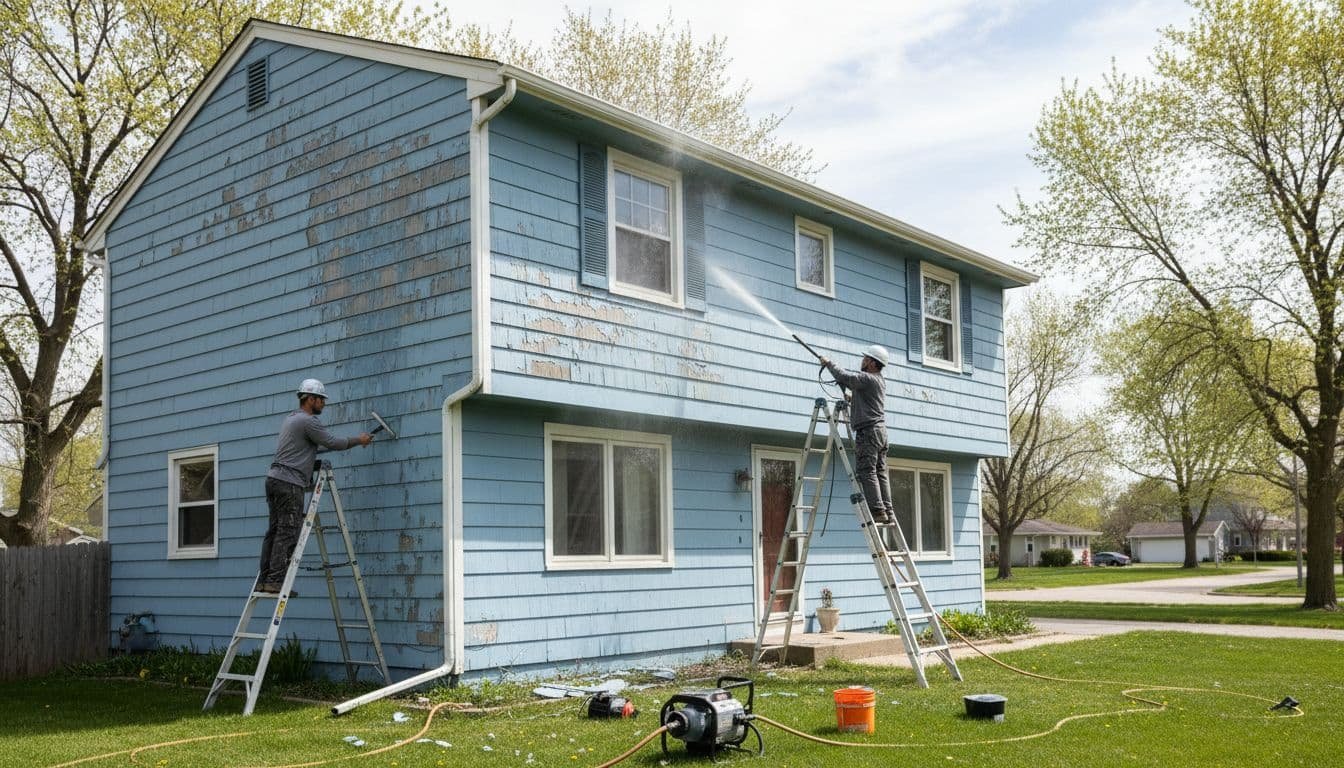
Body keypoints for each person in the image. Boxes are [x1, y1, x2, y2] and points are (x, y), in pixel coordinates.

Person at [256, 378, 372, 594]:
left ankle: (264, 579)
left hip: (274, 479)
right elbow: (333, 442)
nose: (324, 404)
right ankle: (275, 581)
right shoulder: (309, 421)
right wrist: (360, 440)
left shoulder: (291, 419)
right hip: (289, 482)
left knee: (274, 531)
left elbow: (308, 449)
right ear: (310, 399)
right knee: (288, 531)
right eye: (321, 399)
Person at [818, 345, 894, 525]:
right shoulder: (878, 380)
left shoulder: (867, 378)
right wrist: (850, 397)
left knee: (867, 471)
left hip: (868, 432)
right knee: (880, 472)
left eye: (866, 358)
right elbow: (864, 398)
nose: (863, 360)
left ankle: (877, 511)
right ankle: (888, 511)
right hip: (880, 432)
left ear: (873, 363)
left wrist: (829, 364)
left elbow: (847, 377)